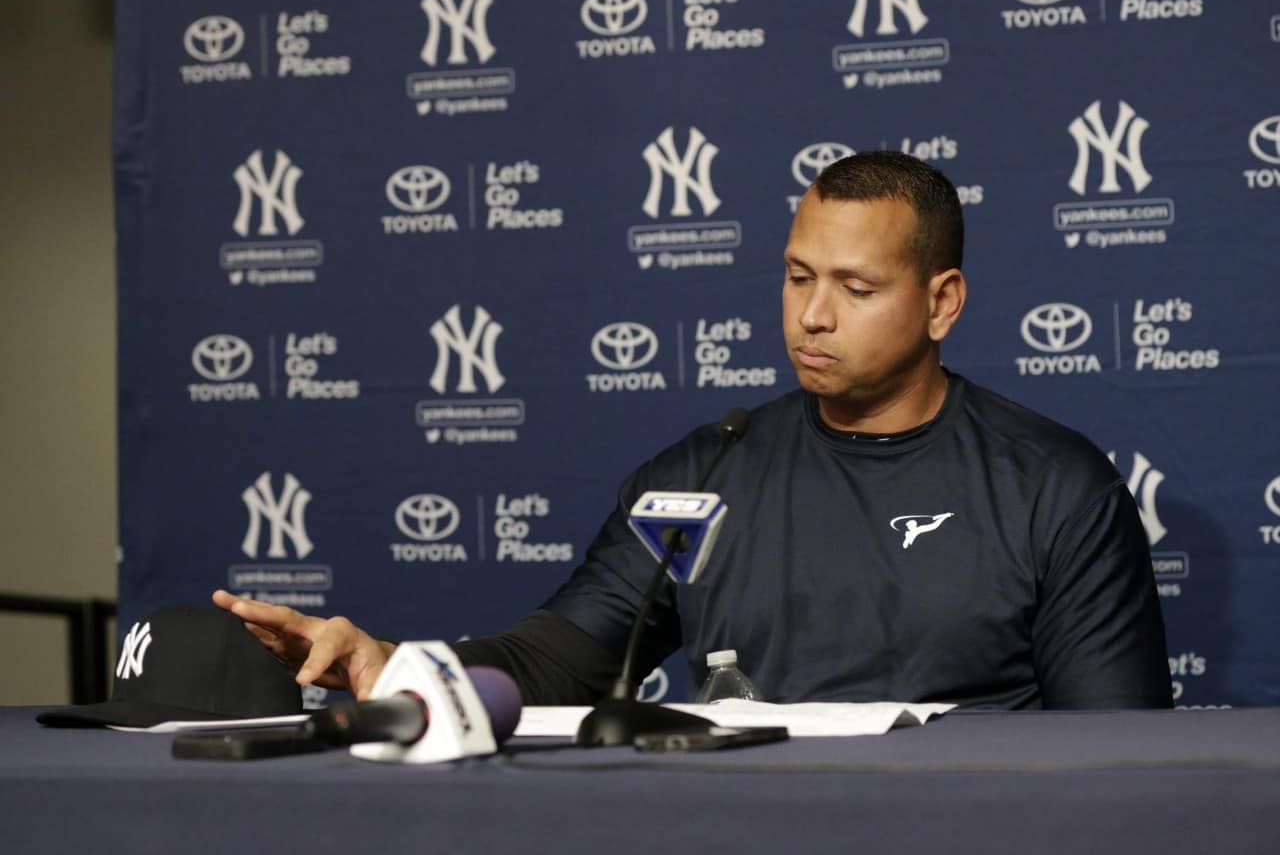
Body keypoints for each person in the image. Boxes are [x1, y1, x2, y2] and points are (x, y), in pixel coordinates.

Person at [213, 151, 1172, 710]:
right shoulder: (707, 470)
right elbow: (569, 654)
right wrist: (402, 667)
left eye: (856, 287)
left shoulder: (1053, 485)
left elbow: (1116, 751)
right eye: (798, 277)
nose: (813, 316)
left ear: (942, 302)